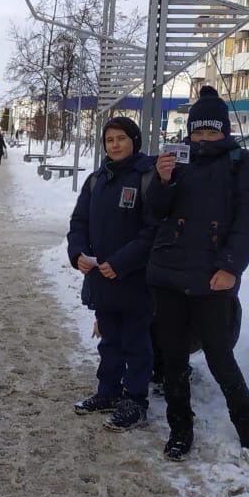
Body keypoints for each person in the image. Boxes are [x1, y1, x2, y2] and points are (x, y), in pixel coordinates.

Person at [146, 85, 249, 461]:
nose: (203, 138)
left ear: (225, 131)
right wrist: (162, 181)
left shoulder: (239, 163)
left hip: (213, 274)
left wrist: (231, 267)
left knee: (219, 354)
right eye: (197, 131)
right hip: (169, 271)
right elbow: (156, 212)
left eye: (211, 131)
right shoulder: (177, 160)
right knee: (173, 356)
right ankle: (180, 430)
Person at [67, 117, 158, 431]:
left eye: (121, 138)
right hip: (102, 278)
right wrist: (77, 254)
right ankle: (108, 392)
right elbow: (78, 223)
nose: (115, 145)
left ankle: (135, 400)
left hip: (135, 279)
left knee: (136, 342)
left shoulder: (148, 176)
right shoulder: (96, 180)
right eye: (109, 140)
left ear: (134, 140)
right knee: (109, 341)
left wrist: (122, 262)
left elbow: (153, 231)